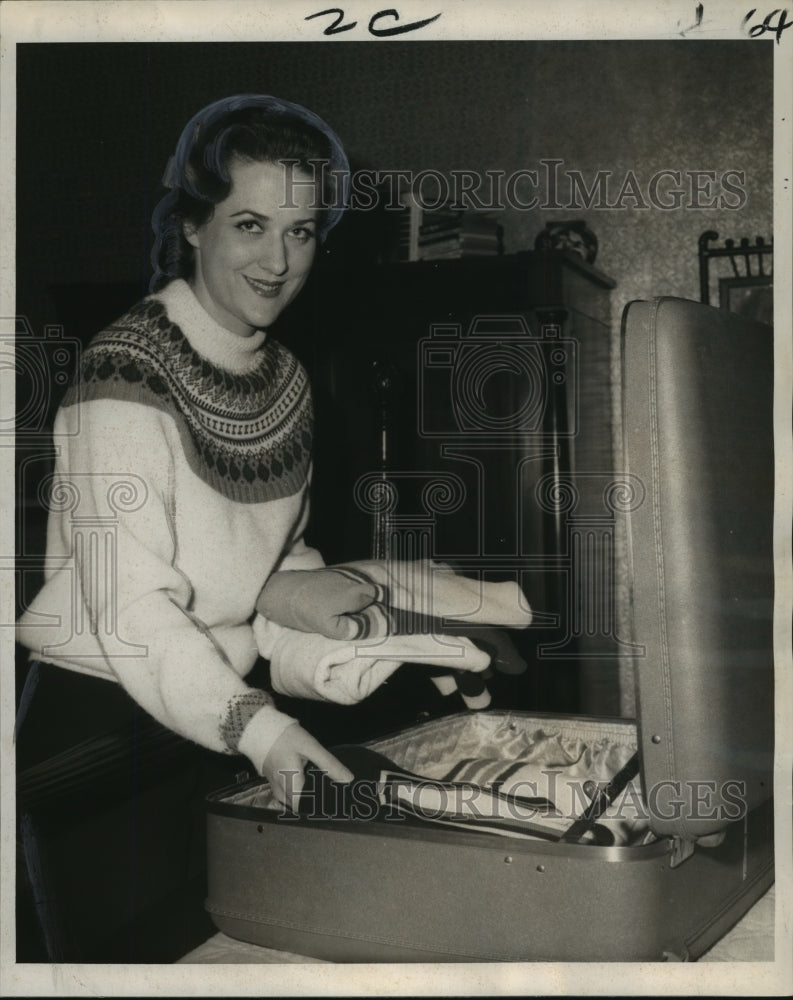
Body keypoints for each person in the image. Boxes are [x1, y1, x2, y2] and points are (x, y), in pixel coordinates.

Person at [15, 94, 357, 817]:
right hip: (98, 721)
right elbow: (131, 605)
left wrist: (349, 653)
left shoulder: (287, 380)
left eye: (300, 231)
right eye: (250, 225)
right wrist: (259, 727)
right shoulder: (124, 370)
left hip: (216, 714)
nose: (278, 260)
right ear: (193, 226)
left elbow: (277, 569)